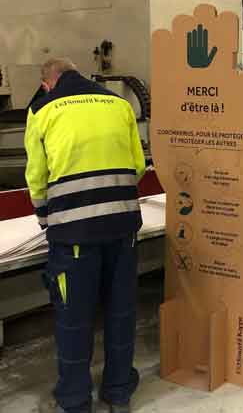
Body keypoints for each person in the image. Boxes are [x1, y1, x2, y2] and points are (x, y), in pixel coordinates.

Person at [25, 58, 146, 413]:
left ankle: (76, 400)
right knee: (121, 313)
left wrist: (46, 220)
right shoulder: (119, 104)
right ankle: (119, 392)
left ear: (47, 84)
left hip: (74, 235)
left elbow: (37, 177)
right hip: (123, 228)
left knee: (74, 319)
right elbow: (138, 165)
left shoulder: (42, 110)